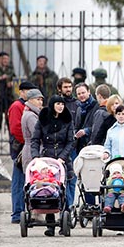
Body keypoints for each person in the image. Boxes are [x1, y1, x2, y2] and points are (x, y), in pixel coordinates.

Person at [31, 95, 75, 236]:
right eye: (58, 104)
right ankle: (50, 225)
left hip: (63, 159)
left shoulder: (68, 120)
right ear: (52, 105)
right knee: (49, 189)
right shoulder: (43, 119)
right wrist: (36, 157)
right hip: (47, 157)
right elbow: (35, 139)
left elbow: (70, 141)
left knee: (63, 190)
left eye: (62, 104)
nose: (61, 106)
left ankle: (65, 222)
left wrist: (63, 157)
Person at [7, 81, 38, 224]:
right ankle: (17, 213)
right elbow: (16, 129)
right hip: (19, 148)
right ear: (22, 92)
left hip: (26, 147)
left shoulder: (28, 108)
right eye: (28, 92)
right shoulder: (17, 106)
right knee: (19, 182)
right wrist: (28, 143)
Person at [21, 89, 44, 172]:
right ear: (30, 100)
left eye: (41, 100)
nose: (40, 102)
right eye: (38, 99)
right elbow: (37, 134)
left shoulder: (32, 113)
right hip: (32, 151)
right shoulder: (31, 116)